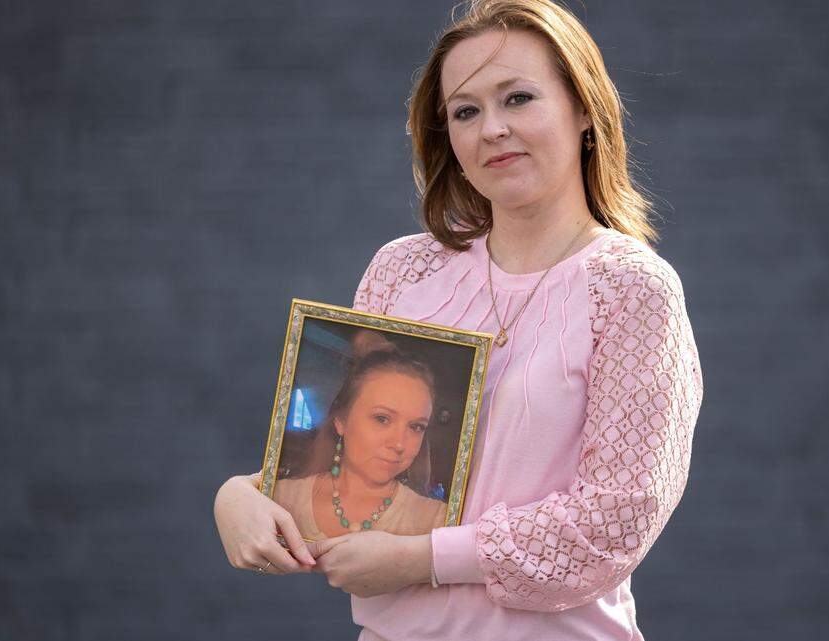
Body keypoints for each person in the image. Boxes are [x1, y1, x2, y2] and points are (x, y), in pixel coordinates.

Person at [213, 1, 704, 639]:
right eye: (466, 112)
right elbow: (346, 453)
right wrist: (241, 495)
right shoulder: (402, 272)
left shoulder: (632, 289)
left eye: (518, 98)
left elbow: (617, 520)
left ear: (584, 109)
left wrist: (424, 559)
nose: (492, 129)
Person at [272, 348, 448, 541]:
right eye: (382, 419)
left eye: (416, 427)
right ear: (341, 421)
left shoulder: (438, 522)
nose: (399, 444)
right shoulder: (278, 498)